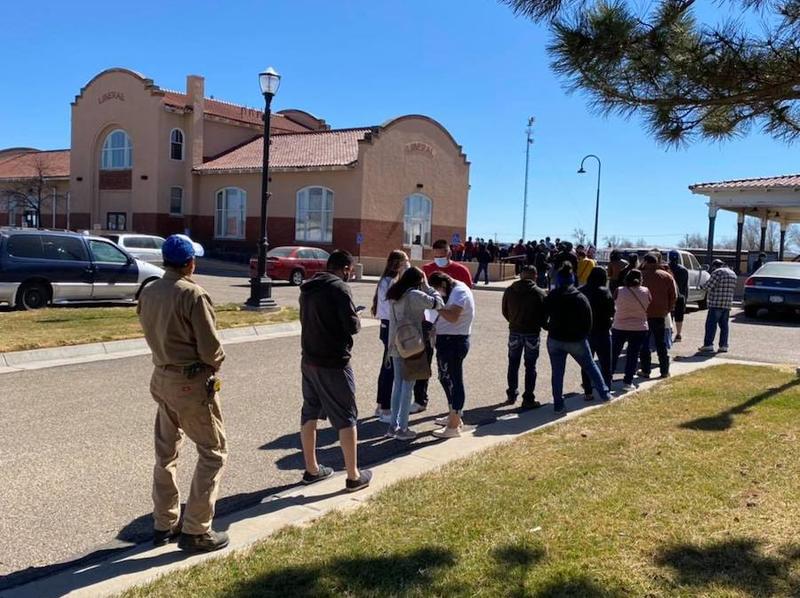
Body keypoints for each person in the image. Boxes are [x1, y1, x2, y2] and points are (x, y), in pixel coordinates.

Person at [137, 234, 229, 552]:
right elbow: (211, 349)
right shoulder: (193, 294)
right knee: (213, 452)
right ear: (190, 263)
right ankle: (196, 530)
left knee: (166, 455)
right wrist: (216, 362)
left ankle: (164, 523)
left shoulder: (149, 291)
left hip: (161, 378)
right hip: (190, 384)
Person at [299, 250, 371, 493]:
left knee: (309, 413)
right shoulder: (339, 288)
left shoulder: (308, 287)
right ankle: (353, 476)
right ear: (345, 268)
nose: (351, 273)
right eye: (351, 269)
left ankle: (312, 469)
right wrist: (357, 317)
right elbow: (351, 326)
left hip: (309, 360)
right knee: (346, 416)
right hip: (334, 362)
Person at [414, 240, 473, 414]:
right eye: (436, 255)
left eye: (442, 255)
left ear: (449, 253)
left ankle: (455, 412)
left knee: (451, 374)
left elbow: (465, 302)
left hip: (451, 331)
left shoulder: (461, 272)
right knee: (424, 364)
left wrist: (442, 307)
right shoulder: (426, 270)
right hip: (429, 323)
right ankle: (420, 400)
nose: (439, 259)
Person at [543, 264, 611, 413]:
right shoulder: (580, 297)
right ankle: (605, 394)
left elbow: (542, 315)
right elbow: (589, 320)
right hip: (576, 339)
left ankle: (558, 404)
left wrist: (547, 327)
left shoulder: (552, 296)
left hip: (555, 339)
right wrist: (583, 334)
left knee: (557, 373)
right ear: (572, 279)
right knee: (590, 366)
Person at [386, 267, 444, 439]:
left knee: (397, 385)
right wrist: (428, 287)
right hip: (413, 345)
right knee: (407, 386)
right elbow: (438, 303)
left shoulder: (395, 294)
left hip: (396, 343)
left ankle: (392, 426)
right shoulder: (415, 295)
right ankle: (403, 428)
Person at [429, 271, 475, 438]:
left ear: (443, 285)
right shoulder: (453, 291)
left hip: (454, 342)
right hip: (446, 340)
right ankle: (453, 415)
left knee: (454, 380)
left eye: (437, 290)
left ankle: (454, 424)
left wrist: (437, 306)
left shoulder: (459, 292)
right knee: (444, 378)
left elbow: (453, 316)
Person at [371, 250, 410, 422]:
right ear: (399, 264)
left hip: (387, 326)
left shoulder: (387, 280)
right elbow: (396, 303)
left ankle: (381, 404)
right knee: (390, 368)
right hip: (390, 327)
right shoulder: (390, 282)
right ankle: (385, 408)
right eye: (406, 261)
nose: (408, 264)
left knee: (386, 367)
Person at [502, 265, 546, 408]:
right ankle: (528, 398)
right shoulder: (540, 293)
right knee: (530, 366)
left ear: (521, 275)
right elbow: (545, 315)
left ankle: (511, 394)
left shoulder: (510, 290)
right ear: (535, 275)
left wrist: (513, 321)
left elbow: (505, 310)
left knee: (513, 364)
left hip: (514, 331)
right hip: (532, 333)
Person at [611, 269, 652, 391]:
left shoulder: (619, 290)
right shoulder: (646, 291)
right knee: (632, 355)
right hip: (639, 327)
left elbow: (614, 303)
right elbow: (649, 302)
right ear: (640, 279)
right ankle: (628, 382)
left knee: (614, 353)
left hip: (620, 326)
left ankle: (607, 377)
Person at [579, 266, 615, 400]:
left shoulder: (581, 291)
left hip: (586, 331)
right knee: (606, 363)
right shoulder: (605, 292)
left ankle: (588, 391)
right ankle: (607, 388)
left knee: (587, 363)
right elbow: (611, 311)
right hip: (603, 331)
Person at [638, 253, 677, 379]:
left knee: (644, 344)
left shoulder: (641, 276)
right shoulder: (666, 276)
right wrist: (668, 309)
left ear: (645, 262)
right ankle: (664, 371)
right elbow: (674, 295)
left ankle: (645, 370)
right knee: (661, 343)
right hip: (661, 314)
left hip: (644, 313)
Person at [698, 259, 737, 353]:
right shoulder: (732, 273)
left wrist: (701, 287)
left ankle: (708, 345)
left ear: (714, 266)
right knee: (724, 326)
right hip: (727, 304)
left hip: (716, 303)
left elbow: (709, 286)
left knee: (711, 325)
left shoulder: (717, 272)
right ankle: (723, 345)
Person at [667, 250, 689, 341]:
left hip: (668, 295)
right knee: (679, 315)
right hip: (680, 295)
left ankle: (669, 332)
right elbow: (685, 286)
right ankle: (679, 334)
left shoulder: (666, 269)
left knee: (669, 315)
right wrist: (685, 298)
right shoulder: (683, 270)